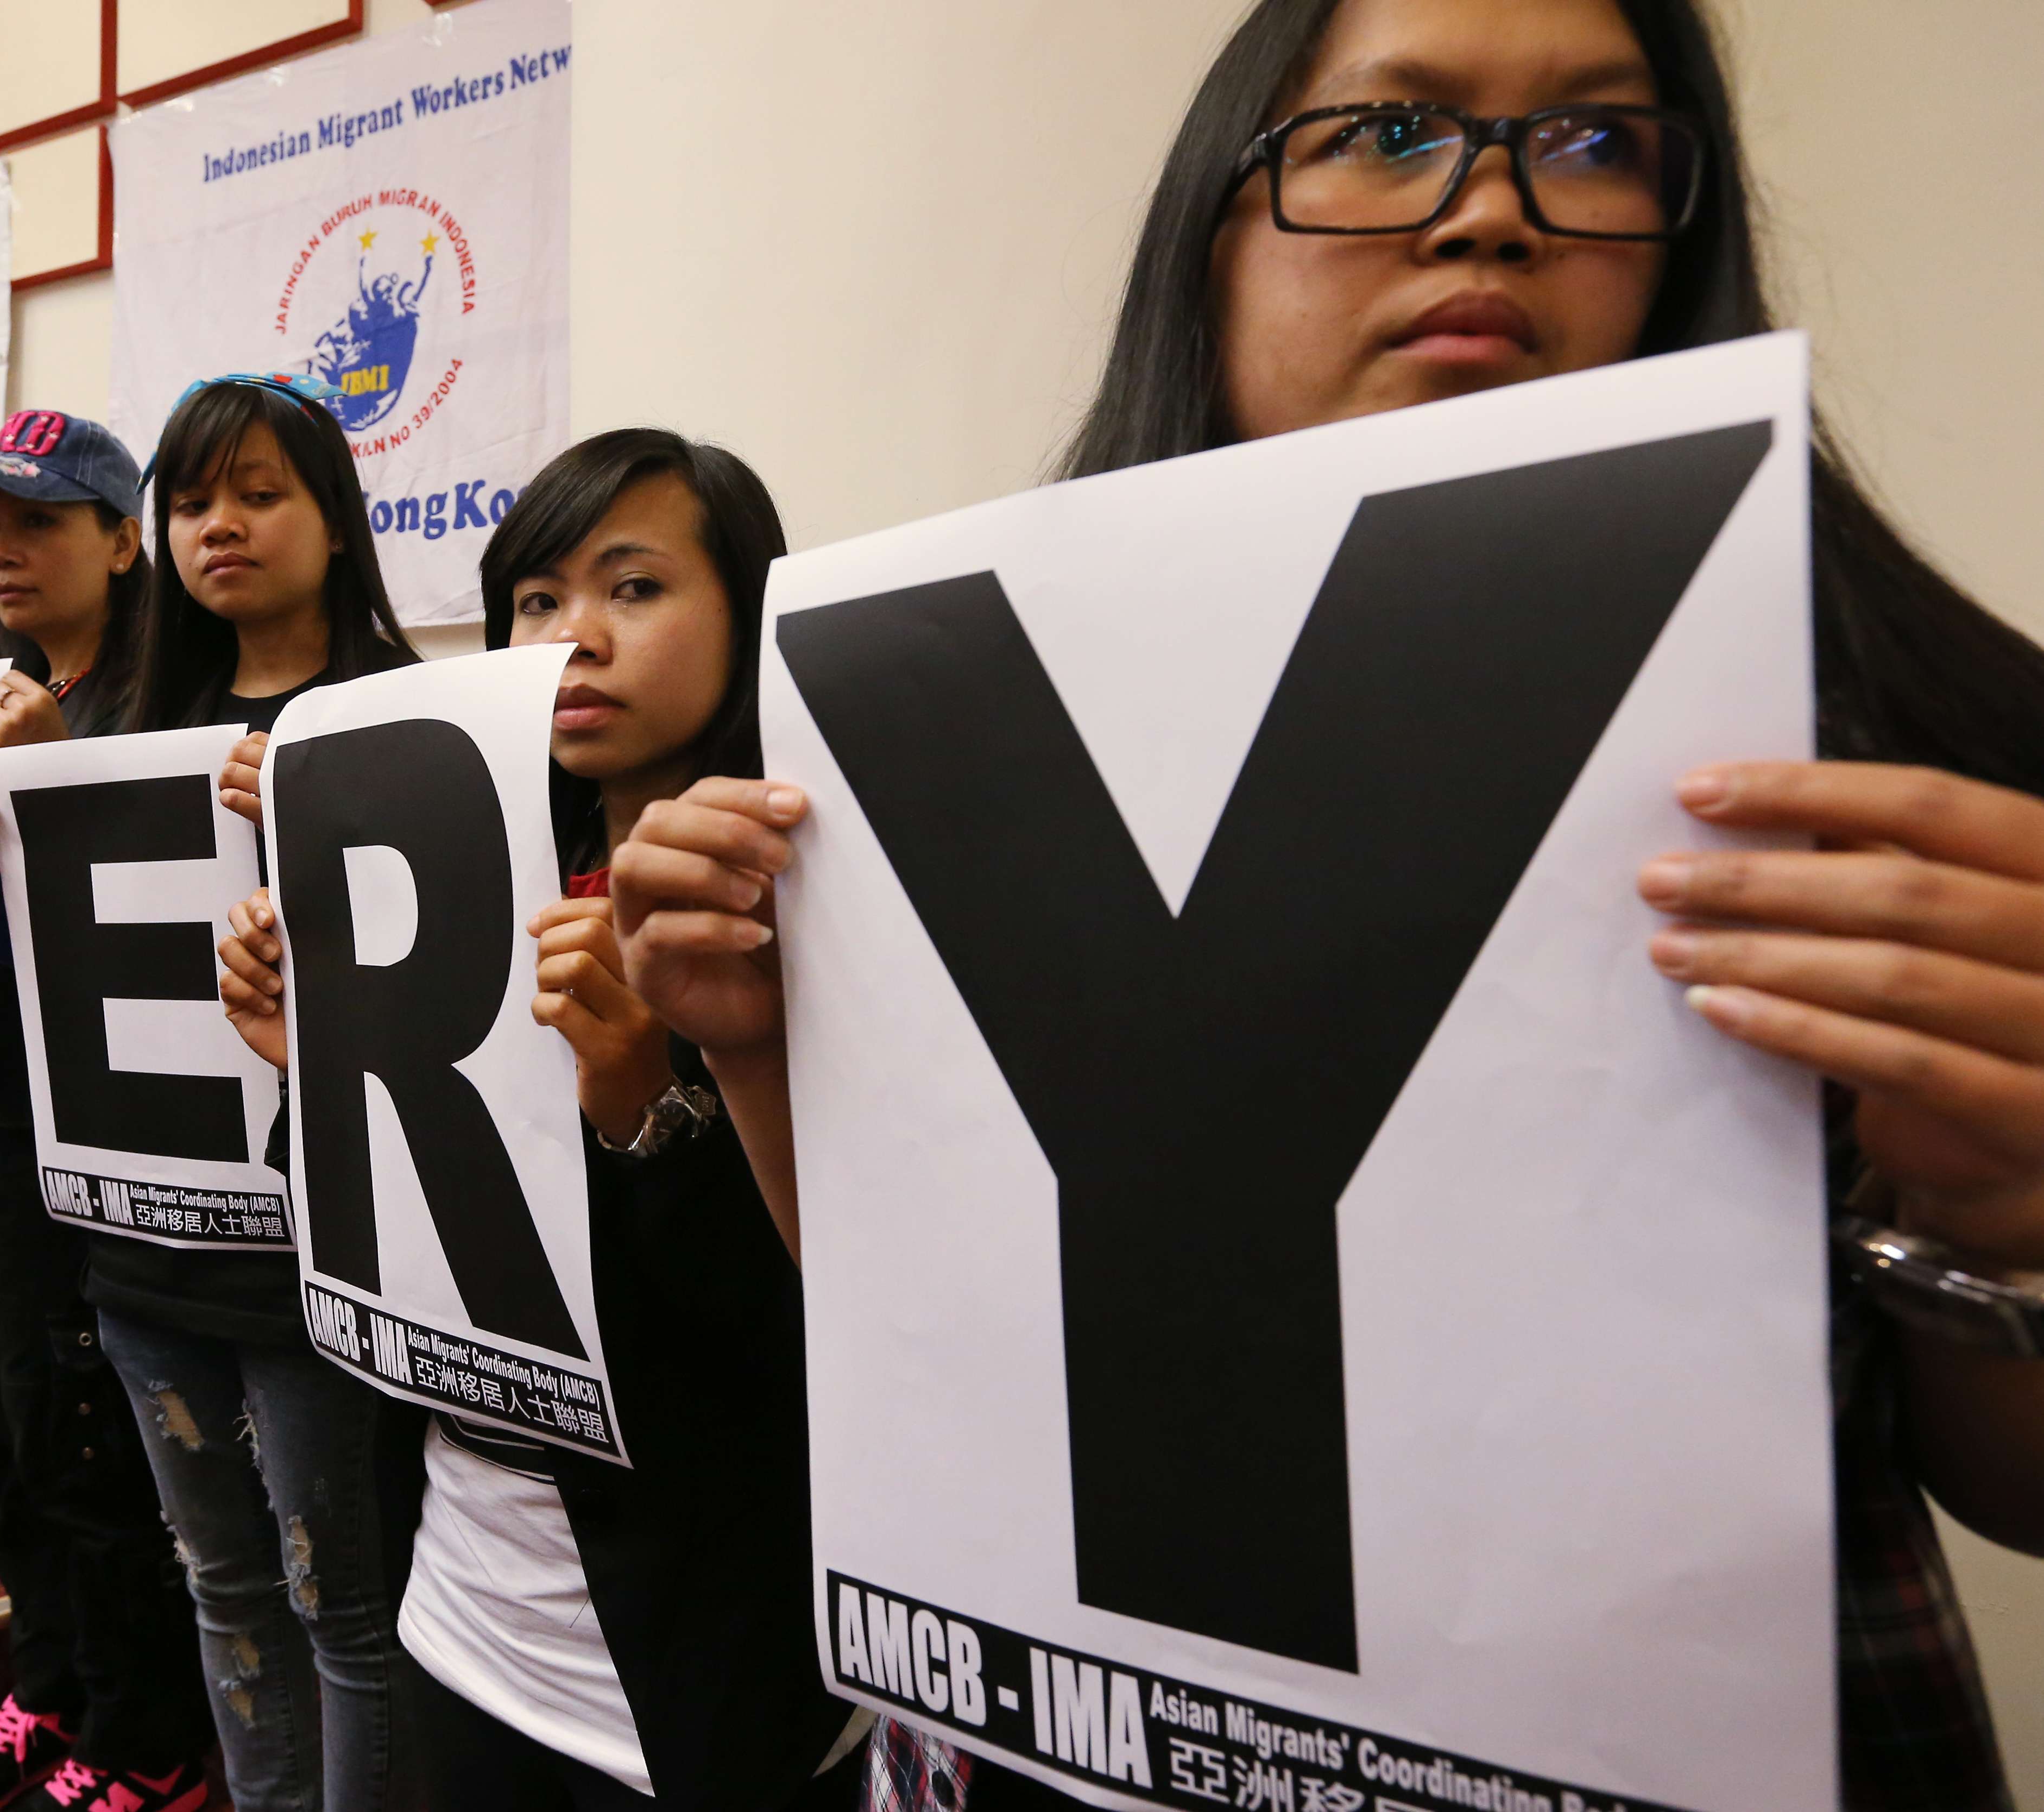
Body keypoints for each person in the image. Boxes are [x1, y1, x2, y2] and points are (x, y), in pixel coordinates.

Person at [610, 3, 2044, 1809]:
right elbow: (965, 1344)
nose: (1493, 214)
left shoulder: (1902, 759)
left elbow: (2013, 1489)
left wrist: (2004, 1204)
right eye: (1387, 133)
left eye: (1598, 144)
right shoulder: (964, 706)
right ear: (1207, 238)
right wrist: (758, 1045)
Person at [216, 429, 867, 1811]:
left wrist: (649, 1105)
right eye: (535, 601)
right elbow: (379, 1255)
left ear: (747, 611)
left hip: (696, 1651)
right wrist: (306, 1066)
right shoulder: (470, 880)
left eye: (633, 589)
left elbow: (819, 1335)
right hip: (461, 1601)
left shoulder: (821, 896)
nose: (576, 638)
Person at [80, 373, 420, 1812]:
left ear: (334, 520)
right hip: (149, 1243)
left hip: (314, 1262)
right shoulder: (120, 721)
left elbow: (440, 1003)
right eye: (194, 500)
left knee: (347, 1609)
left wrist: (319, 816)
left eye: (260, 493)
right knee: (222, 1583)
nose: (221, 525)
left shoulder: (407, 719)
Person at [0, 410, 222, 1812]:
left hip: (88, 1128)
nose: (1, 551)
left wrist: (57, 768)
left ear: (121, 538)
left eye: (35, 521)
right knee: (1, 1410)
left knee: (84, 1427)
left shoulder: (159, 706)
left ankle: (143, 1737)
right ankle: (53, 1684)